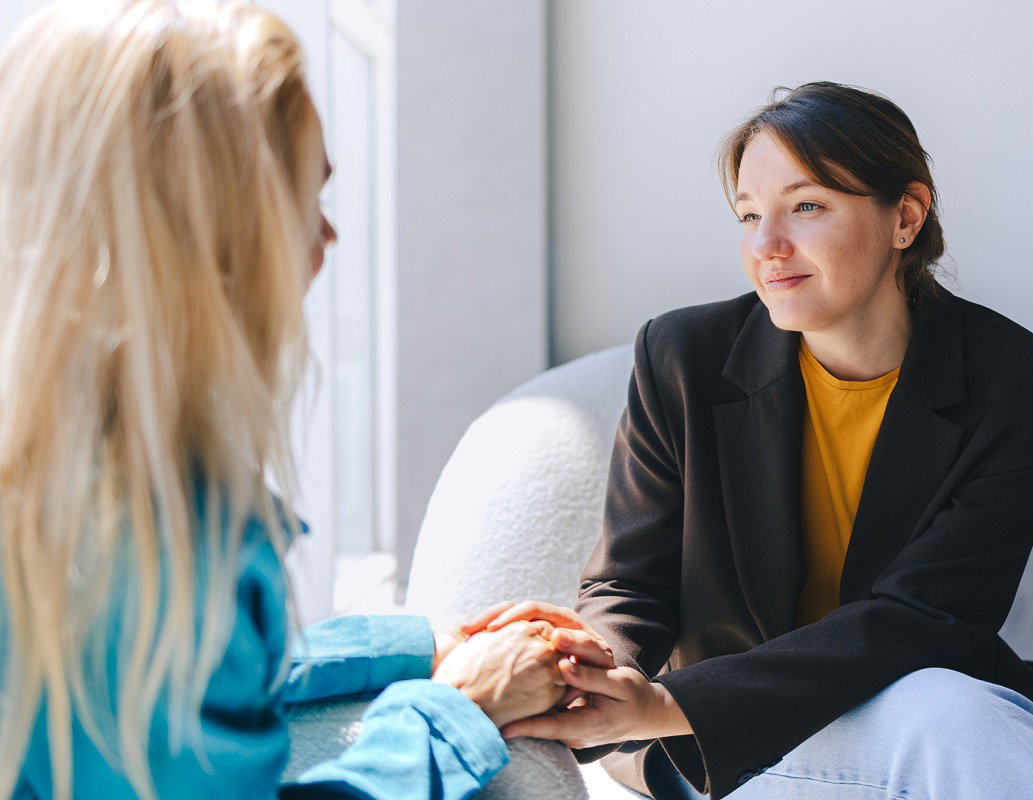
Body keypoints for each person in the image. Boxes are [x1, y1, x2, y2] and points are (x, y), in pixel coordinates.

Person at [0, 3, 604, 799]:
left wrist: (418, 643)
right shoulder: (150, 542)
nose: (327, 236)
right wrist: (460, 707)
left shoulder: (63, 478)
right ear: (211, 232)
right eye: (303, 199)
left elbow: (174, 697)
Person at [495, 83, 1033, 799]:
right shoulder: (683, 357)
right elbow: (632, 581)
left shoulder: (1024, 388)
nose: (766, 247)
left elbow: (927, 619)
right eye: (749, 215)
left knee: (945, 707)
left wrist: (666, 703)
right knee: (951, 716)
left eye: (806, 206)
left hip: (907, 707)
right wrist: (603, 671)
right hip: (727, 734)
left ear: (905, 217)